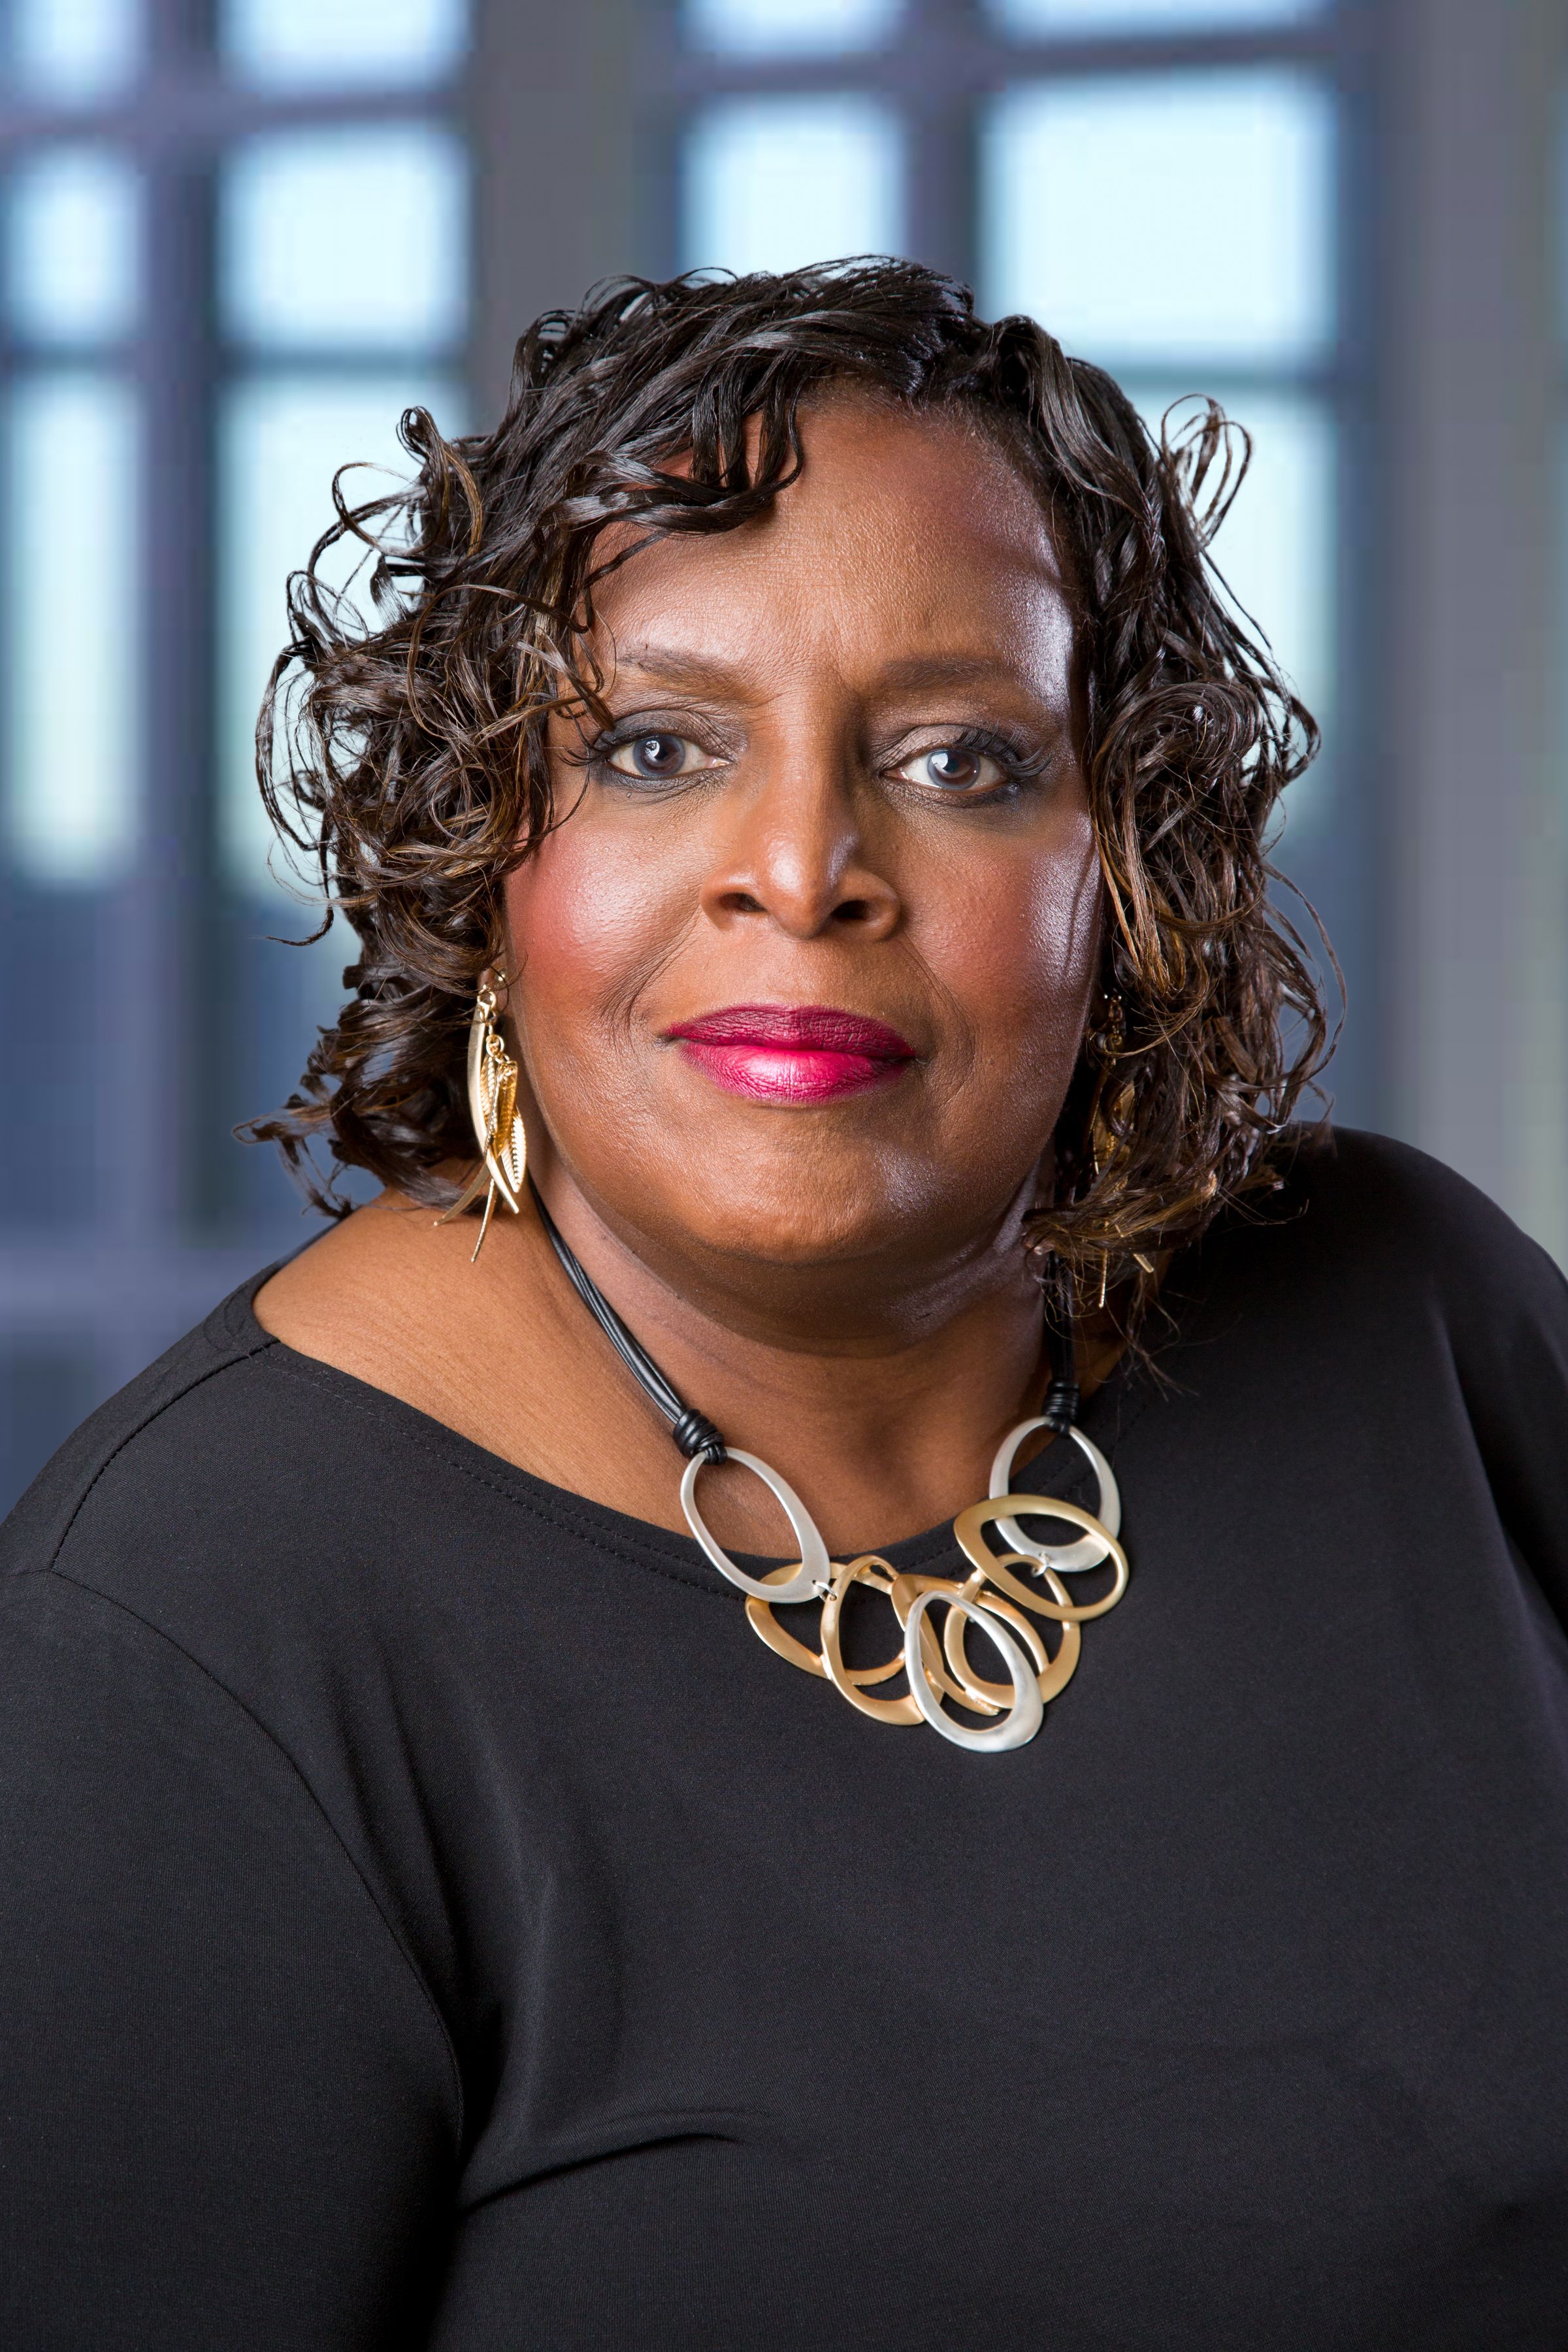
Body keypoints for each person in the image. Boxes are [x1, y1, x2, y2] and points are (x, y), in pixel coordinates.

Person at [3, 261, 1567, 2350]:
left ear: (1133, 867)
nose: (806, 864)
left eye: (961, 759)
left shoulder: (1420, 1323)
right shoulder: (190, 1635)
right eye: (658, 747)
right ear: (484, 856)